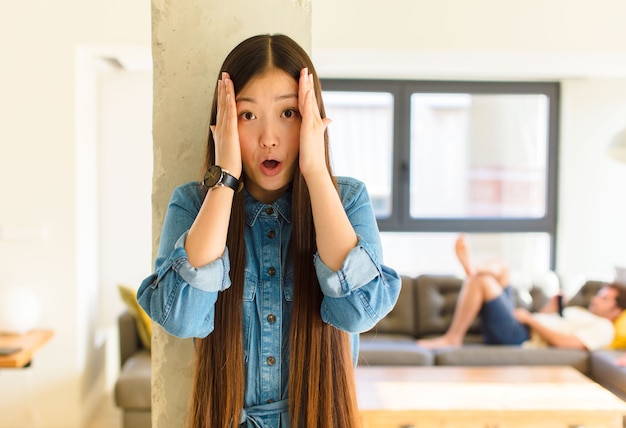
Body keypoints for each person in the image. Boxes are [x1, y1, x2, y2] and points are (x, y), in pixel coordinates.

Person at [137, 34, 401, 428]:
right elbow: (181, 317)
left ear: (311, 119)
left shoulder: (347, 199)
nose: (269, 138)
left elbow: (358, 311)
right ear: (224, 122)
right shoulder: (194, 204)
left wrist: (315, 172)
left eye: (288, 114)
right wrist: (224, 179)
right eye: (247, 115)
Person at [417, 234, 626, 351]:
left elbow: (568, 344)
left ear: (616, 311)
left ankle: (453, 337)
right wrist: (550, 310)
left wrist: (531, 321)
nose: (596, 299)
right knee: (503, 267)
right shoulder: (584, 314)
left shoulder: (604, 327)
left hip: (519, 337)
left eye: (605, 298)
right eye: (600, 294)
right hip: (524, 325)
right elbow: (551, 326)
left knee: (483, 282)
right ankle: (473, 267)